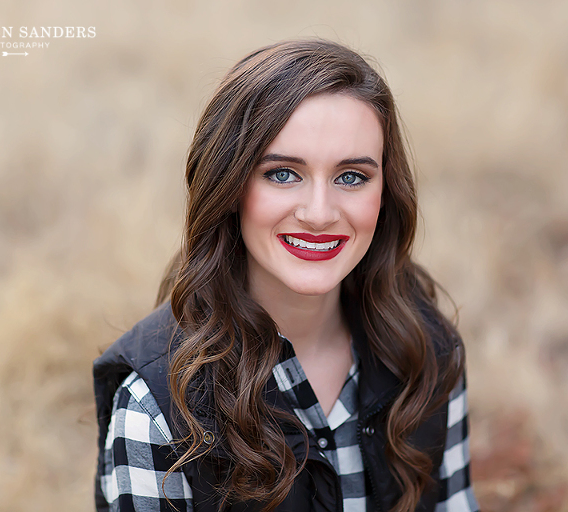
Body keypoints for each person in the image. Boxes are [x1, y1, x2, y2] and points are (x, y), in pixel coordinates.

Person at [93, 39, 480, 512]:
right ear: (230, 187)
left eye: (352, 177)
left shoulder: (427, 351)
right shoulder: (155, 409)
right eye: (282, 174)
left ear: (386, 191)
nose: (319, 214)